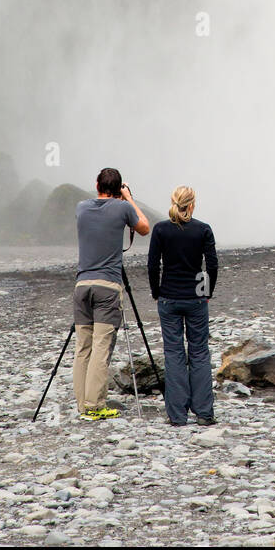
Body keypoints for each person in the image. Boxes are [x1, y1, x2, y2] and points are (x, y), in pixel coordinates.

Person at [73, 167, 149, 420]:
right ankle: (95, 406)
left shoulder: (82, 207)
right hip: (108, 286)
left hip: (82, 285)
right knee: (101, 347)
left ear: (97, 185)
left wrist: (116, 197)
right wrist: (128, 199)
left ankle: (83, 406)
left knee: (82, 347)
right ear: (118, 189)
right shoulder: (123, 208)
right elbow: (145, 228)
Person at [147, 185, 218, 426]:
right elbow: (212, 265)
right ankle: (204, 412)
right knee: (199, 352)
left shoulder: (160, 230)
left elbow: (153, 265)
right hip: (196, 297)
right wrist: (207, 291)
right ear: (192, 204)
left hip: (168, 297)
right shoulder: (203, 230)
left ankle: (177, 415)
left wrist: (156, 292)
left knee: (174, 353)